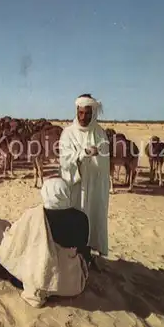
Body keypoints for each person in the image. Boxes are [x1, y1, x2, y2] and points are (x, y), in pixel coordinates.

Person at [0, 177, 90, 308]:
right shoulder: (81, 217)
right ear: (66, 192)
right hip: (71, 284)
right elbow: (82, 246)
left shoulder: (34, 215)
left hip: (40, 279)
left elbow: (17, 241)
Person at [58, 94, 110, 258]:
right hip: (75, 185)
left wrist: (98, 153)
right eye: (80, 113)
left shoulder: (100, 133)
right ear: (76, 111)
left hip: (94, 186)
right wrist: (82, 154)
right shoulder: (68, 133)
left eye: (87, 113)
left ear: (93, 113)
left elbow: (105, 159)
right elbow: (64, 159)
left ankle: (87, 253)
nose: (83, 117)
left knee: (92, 217)